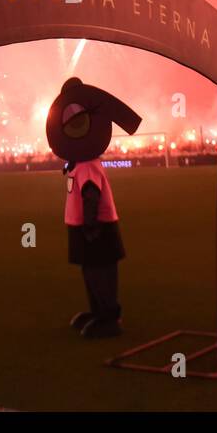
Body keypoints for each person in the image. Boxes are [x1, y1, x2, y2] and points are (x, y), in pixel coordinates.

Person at [45, 77, 142, 339]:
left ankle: (110, 317)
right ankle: (98, 312)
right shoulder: (79, 163)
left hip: (96, 228)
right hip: (83, 227)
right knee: (91, 272)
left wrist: (90, 225)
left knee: (101, 273)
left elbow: (91, 195)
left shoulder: (87, 165)